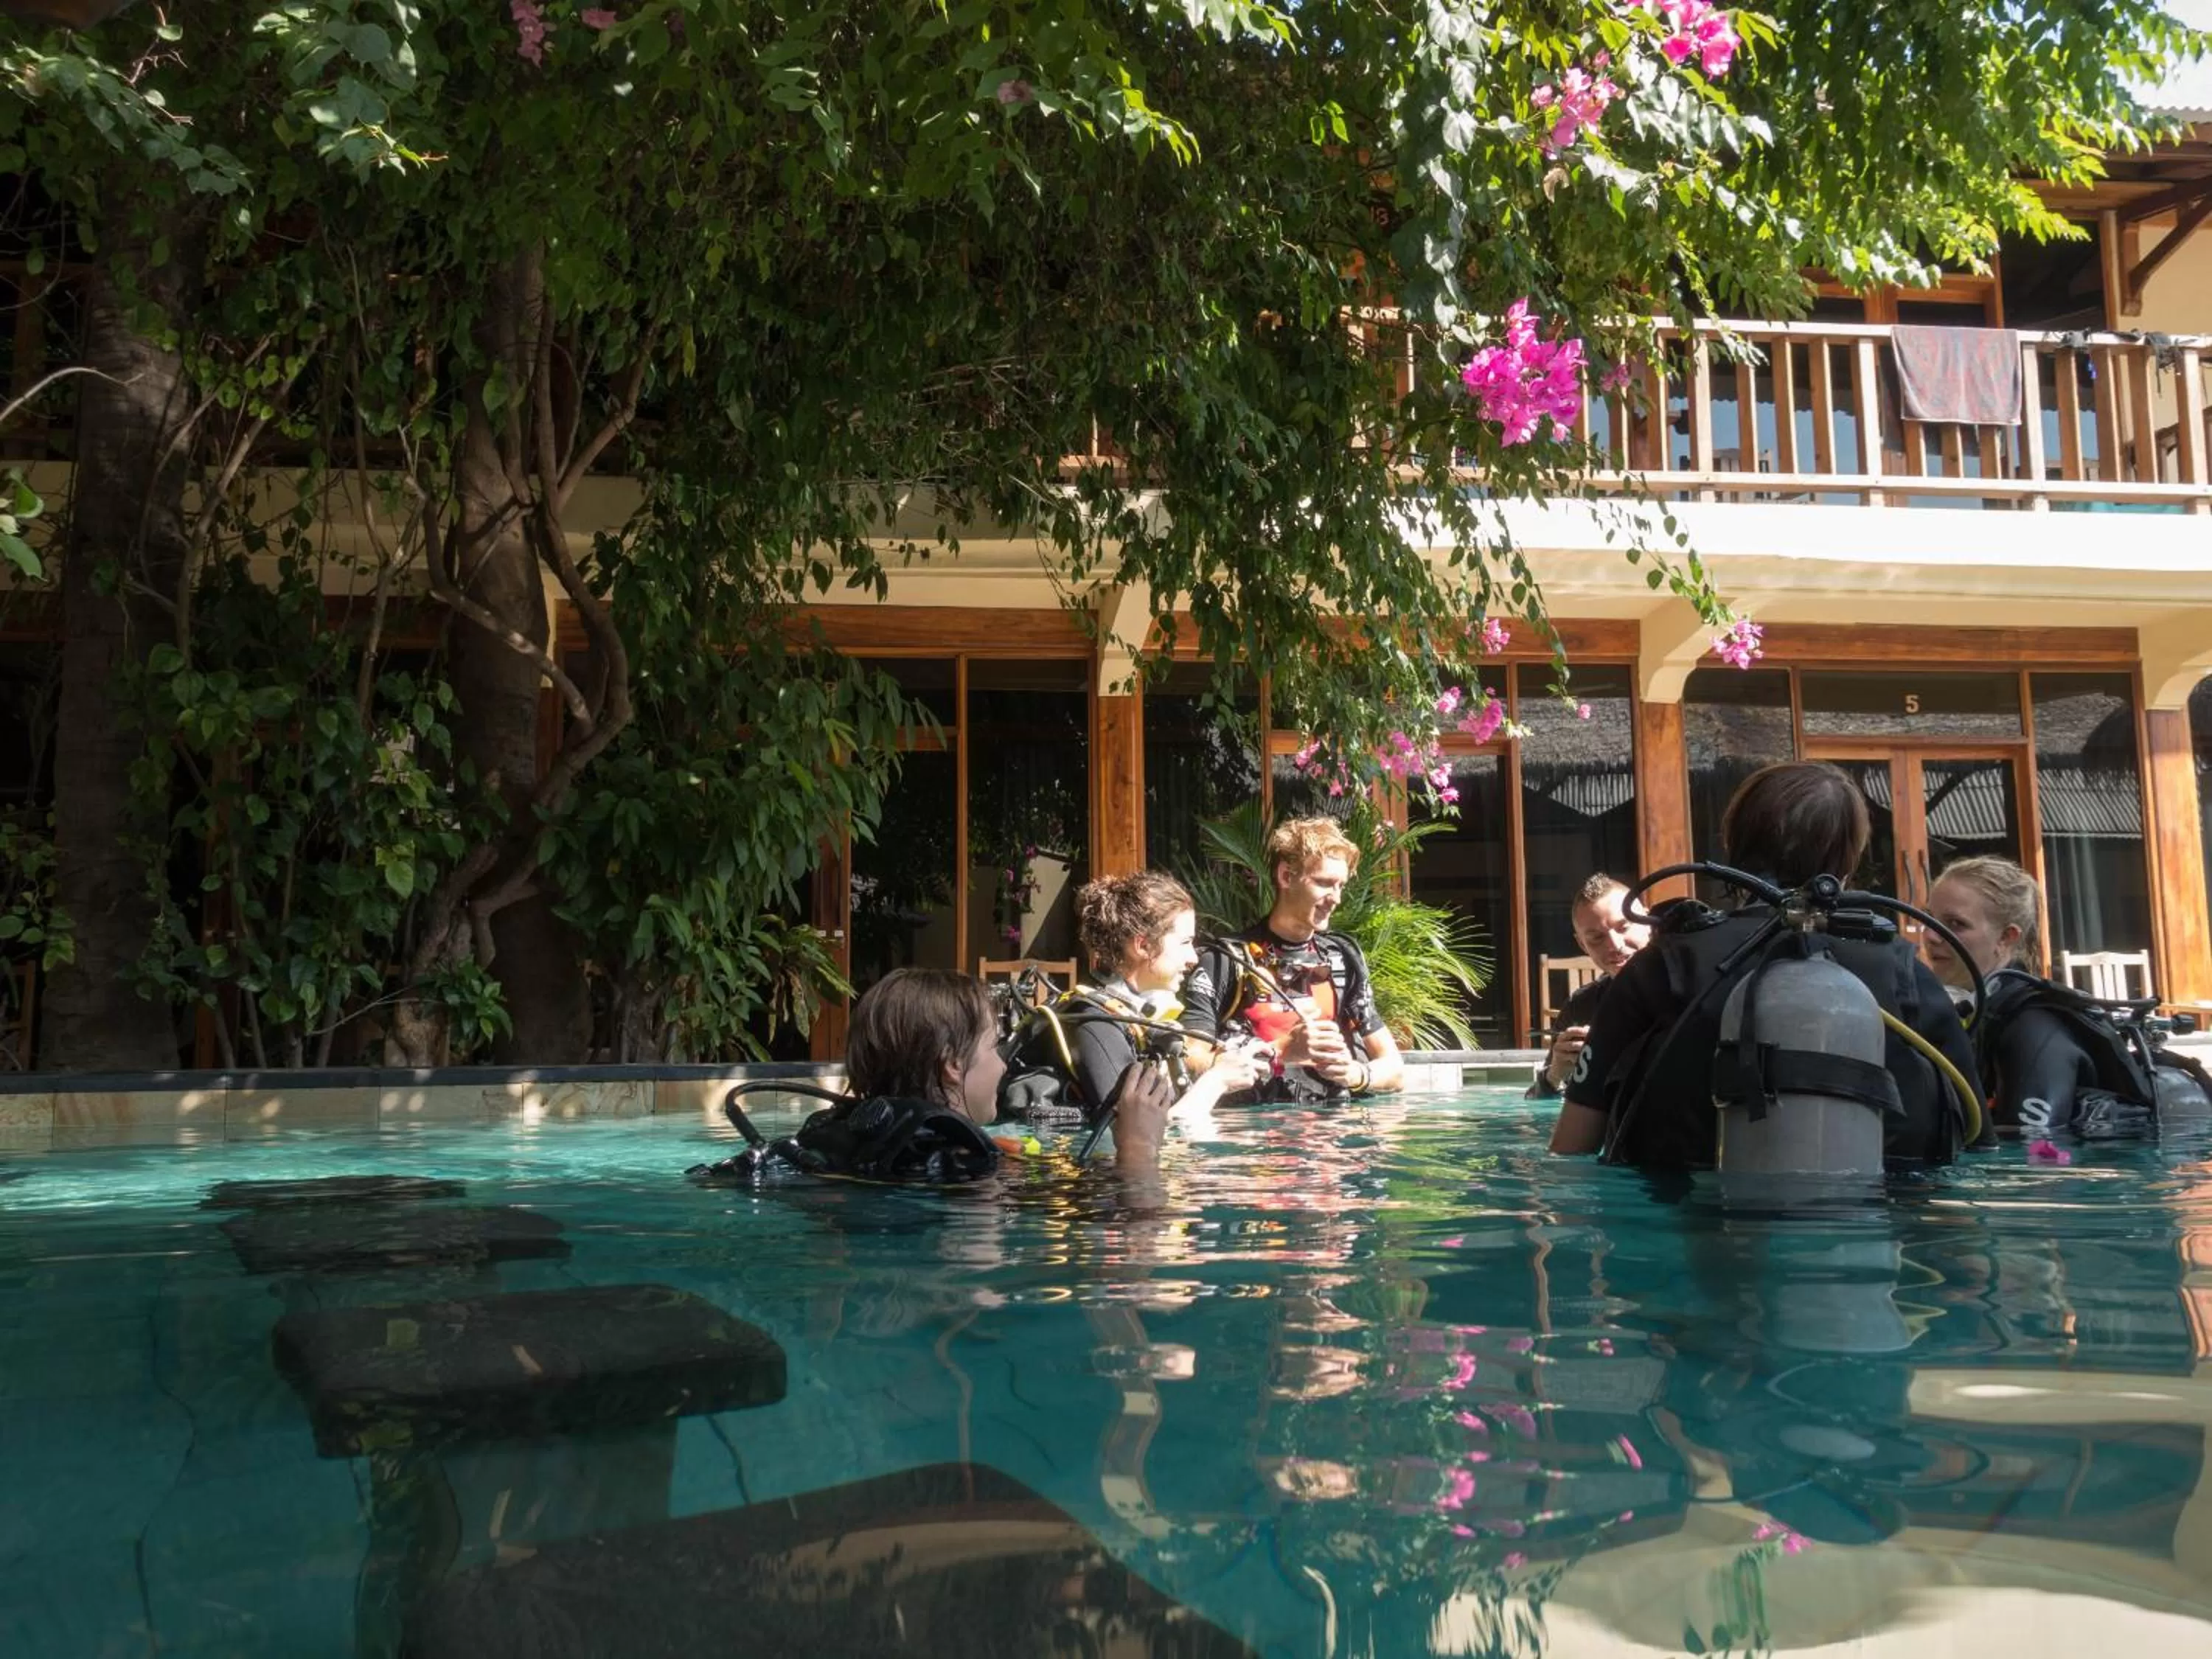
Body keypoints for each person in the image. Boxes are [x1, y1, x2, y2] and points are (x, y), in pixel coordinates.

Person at [1549, 761, 1981, 1170]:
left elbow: (1571, 1150)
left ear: (1733, 846)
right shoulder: (1905, 971)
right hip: (1877, 1226)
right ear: (1849, 862)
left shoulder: (1663, 964)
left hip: (1686, 1227)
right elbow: (1978, 1140)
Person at [702, 967, 1178, 1183]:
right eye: (994, 1047)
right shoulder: (958, 1163)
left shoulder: (835, 1134)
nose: (1004, 1064)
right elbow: (1130, 1270)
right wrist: (1139, 1152)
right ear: (952, 1065)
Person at [1925, 855, 2194, 1139]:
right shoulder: (1981, 1013)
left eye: (1956, 924)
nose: (1931, 935)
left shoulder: (2032, 1026)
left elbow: (2034, 1155)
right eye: (1929, 919)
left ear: (2006, 937)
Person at [999, 871, 1271, 1125]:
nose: (1194, 959)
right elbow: (1136, 1136)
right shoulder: (1094, 1024)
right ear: (1143, 946)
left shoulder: (1137, 1017)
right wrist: (1218, 1081)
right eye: (1185, 943)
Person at [1179, 816, 1405, 1103]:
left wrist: (1356, 1074)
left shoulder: (1342, 958)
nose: (1335, 898)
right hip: (1251, 1136)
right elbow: (1189, 1060)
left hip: (1333, 1137)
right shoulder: (1226, 959)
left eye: (1341, 886)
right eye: (1324, 883)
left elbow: (1395, 1070)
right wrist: (1280, 1051)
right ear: (1286, 876)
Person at [1528, 872, 1651, 1099]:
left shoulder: (1691, 986)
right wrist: (1555, 1074)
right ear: (1582, 944)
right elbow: (1537, 1102)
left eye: (1623, 927)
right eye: (1596, 938)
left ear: (1647, 921)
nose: (1615, 945)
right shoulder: (1582, 1007)